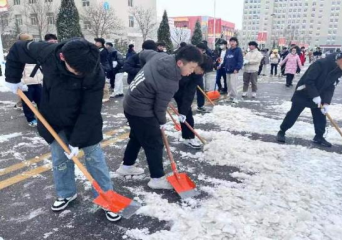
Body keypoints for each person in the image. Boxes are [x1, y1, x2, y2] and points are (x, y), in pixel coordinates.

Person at [5, 38, 121, 222]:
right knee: (60, 158)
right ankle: (66, 193)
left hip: (84, 121)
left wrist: (76, 141)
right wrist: (12, 78)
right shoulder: (47, 52)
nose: (80, 75)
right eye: (76, 71)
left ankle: (107, 197)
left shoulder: (94, 72)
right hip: (54, 117)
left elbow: (90, 110)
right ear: (62, 57)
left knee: (94, 159)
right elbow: (18, 49)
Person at [117, 46, 202, 190]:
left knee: (137, 136)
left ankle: (127, 166)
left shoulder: (159, 57)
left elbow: (143, 53)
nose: (192, 71)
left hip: (130, 102)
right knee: (155, 143)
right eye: (191, 67)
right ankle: (157, 179)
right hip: (141, 109)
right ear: (180, 63)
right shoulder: (169, 82)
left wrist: (146, 75)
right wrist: (161, 122)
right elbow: (159, 109)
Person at [276, 50, 342, 147]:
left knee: (320, 116)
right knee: (293, 114)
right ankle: (282, 131)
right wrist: (315, 96)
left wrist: (326, 103)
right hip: (304, 93)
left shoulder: (340, 70)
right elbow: (309, 81)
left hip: (320, 95)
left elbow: (331, 86)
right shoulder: (320, 63)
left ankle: (319, 137)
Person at [174, 54, 213, 149]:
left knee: (187, 112)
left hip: (181, 90)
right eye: (202, 70)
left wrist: (183, 112)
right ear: (197, 64)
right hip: (166, 88)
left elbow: (190, 93)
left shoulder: (197, 74)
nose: (202, 73)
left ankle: (188, 137)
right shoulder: (181, 65)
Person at [222, 37, 243, 103]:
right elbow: (225, 59)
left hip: (234, 70)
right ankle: (230, 96)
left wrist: (237, 68)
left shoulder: (238, 50)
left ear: (236, 42)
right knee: (228, 84)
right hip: (227, 70)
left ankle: (235, 97)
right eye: (231, 41)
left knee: (233, 84)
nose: (232, 43)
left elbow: (240, 60)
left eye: (234, 41)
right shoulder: (228, 50)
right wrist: (221, 66)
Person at [195, 43, 210, 112]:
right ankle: (186, 107)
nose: (200, 51)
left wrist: (202, 71)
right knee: (189, 92)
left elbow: (206, 67)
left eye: (202, 50)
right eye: (199, 49)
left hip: (199, 77)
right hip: (190, 76)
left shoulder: (204, 57)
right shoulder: (192, 55)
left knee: (201, 91)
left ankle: (200, 105)